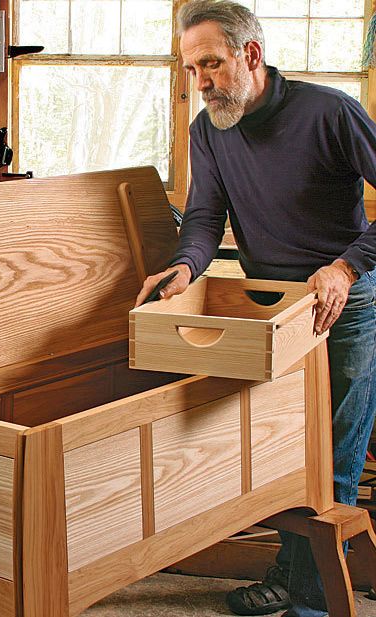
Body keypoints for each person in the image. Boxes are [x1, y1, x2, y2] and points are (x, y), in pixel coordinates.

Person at [135, 1, 376, 616]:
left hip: (343, 301)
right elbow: (204, 218)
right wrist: (185, 268)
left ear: (250, 54)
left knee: (332, 457)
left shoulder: (331, 112)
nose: (202, 82)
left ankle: (312, 602)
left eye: (211, 64)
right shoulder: (209, 131)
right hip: (268, 309)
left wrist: (345, 266)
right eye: (191, 69)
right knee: (277, 453)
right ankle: (294, 576)